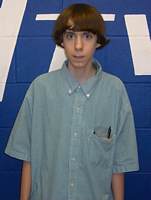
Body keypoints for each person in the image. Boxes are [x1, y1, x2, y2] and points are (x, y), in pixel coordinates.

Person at [5, 3, 139, 200]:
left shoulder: (115, 91)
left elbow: (118, 164)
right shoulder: (40, 89)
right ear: (61, 40)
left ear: (98, 41)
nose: (78, 46)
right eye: (70, 36)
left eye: (87, 36)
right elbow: (28, 158)